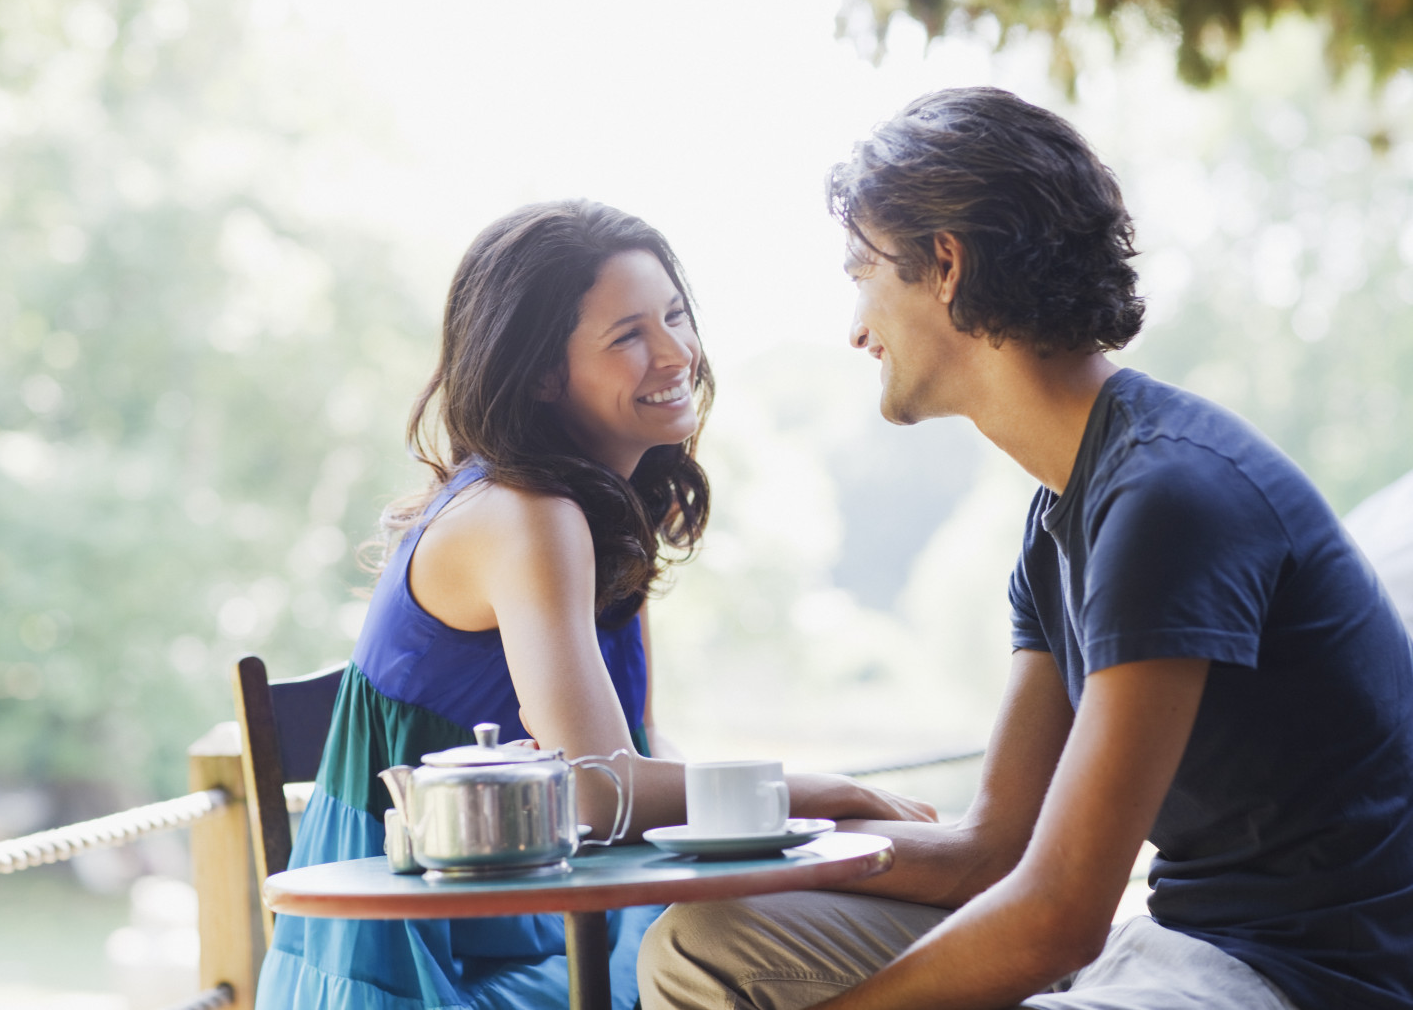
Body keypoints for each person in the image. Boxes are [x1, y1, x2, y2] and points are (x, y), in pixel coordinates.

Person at [639, 87, 1413, 1010]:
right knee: (704, 946)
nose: (855, 326)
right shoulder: (1059, 518)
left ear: (946, 265)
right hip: (1170, 948)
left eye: (862, 272)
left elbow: (1058, 914)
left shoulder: (1168, 498)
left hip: (1303, 979)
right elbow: (994, 850)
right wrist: (776, 836)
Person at [255, 199, 930, 1010]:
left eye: (676, 316)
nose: (677, 351)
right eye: (629, 335)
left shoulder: (603, 516)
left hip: (557, 939)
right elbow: (603, 790)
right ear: (542, 374)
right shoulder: (527, 517)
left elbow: (631, 751)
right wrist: (831, 790)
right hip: (416, 973)